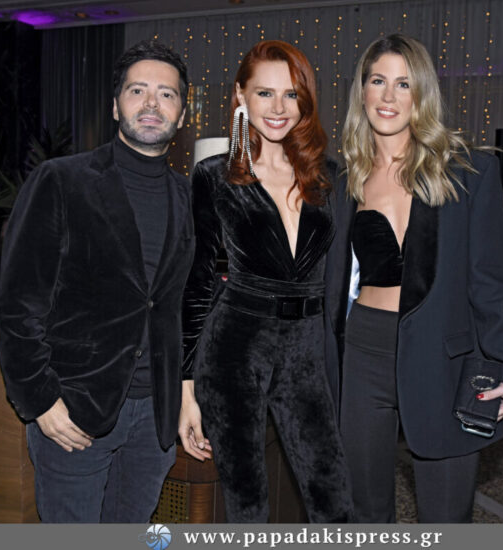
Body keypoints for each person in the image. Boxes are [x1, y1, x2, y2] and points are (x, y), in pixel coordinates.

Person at [325, 33, 503, 523]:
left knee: (446, 517)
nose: (389, 96)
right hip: (363, 353)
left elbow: (491, 283)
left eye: (403, 83)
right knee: (364, 510)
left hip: (445, 356)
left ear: (421, 94)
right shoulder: (343, 180)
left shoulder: (468, 172)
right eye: (378, 81)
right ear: (362, 91)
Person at [0, 40, 194, 523]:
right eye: (137, 90)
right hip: (75, 413)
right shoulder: (61, 180)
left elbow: (185, 309)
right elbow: (18, 306)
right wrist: (41, 402)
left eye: (167, 94)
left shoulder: (189, 197)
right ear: (115, 106)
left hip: (154, 422)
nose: (152, 103)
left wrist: (185, 397)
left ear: (183, 114)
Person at [178, 40, 353, 523]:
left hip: (307, 349)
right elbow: (198, 282)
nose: (278, 108)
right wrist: (186, 388)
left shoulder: (329, 176)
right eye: (264, 93)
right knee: (247, 504)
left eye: (291, 94)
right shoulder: (214, 176)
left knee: (333, 500)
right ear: (240, 95)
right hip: (234, 349)